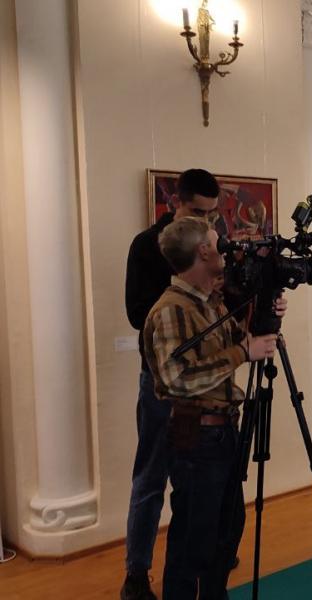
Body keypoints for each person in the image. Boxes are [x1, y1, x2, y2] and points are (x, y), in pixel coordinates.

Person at [145, 216, 286, 599]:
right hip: (197, 438)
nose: (224, 246)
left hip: (222, 433)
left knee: (226, 531)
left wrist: (268, 316)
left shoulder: (210, 303)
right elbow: (177, 379)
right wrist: (243, 352)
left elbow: (243, 341)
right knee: (194, 540)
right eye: (216, 240)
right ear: (203, 251)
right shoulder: (173, 309)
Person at [122, 168, 221, 600]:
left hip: (203, 382)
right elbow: (137, 312)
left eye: (212, 214)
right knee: (150, 478)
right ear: (176, 203)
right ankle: (136, 573)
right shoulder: (146, 246)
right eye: (198, 212)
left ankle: (194, 560)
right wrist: (184, 289)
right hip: (161, 381)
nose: (206, 222)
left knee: (195, 479)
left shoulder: (211, 244)